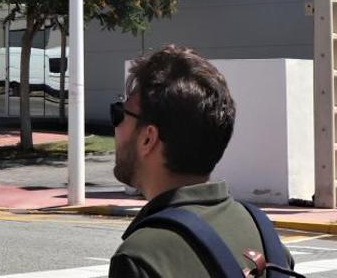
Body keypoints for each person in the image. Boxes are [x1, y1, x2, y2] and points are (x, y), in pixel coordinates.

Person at [109, 45, 295, 277]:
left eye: (119, 113)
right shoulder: (263, 235)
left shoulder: (142, 258)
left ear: (148, 138)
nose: (114, 127)